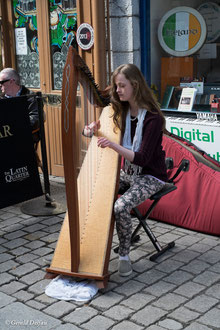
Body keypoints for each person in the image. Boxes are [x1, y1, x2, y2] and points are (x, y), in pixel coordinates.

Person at [83, 64, 168, 277]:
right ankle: (95, 244)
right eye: (116, 86)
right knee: (95, 192)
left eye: (122, 85)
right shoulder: (119, 110)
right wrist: (89, 130)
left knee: (120, 206)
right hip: (129, 172)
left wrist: (113, 146)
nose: (117, 90)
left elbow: (142, 158)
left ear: (135, 86)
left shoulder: (152, 118)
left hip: (151, 175)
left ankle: (123, 255)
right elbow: (93, 132)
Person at [0, 68, 40, 142]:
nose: (0, 85)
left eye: (1, 82)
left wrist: (14, 127)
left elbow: (35, 118)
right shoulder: (1, 98)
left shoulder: (30, 97)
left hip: (25, 137)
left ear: (11, 81)